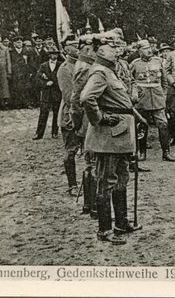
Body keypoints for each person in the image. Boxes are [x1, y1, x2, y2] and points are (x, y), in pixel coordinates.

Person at [81, 31, 140, 245]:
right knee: (106, 182)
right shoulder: (100, 72)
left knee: (122, 178)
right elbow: (87, 98)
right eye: (111, 46)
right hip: (108, 137)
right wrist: (102, 118)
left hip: (121, 135)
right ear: (100, 49)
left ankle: (121, 223)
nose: (116, 49)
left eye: (116, 46)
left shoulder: (110, 71)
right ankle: (104, 230)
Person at [130, 39, 175, 162]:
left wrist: (163, 96)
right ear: (139, 51)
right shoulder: (135, 64)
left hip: (157, 98)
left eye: (149, 48)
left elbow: (164, 82)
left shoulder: (158, 62)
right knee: (141, 126)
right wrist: (134, 94)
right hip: (142, 100)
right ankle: (141, 152)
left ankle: (166, 152)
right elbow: (131, 82)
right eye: (145, 49)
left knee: (163, 125)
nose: (149, 50)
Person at [71, 34, 97, 215]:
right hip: (90, 122)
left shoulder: (87, 65)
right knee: (94, 164)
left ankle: (91, 204)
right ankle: (92, 205)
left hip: (90, 121)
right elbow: (76, 100)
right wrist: (78, 126)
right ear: (88, 49)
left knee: (93, 163)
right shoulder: (85, 67)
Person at [56, 36, 80, 196]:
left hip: (83, 113)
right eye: (74, 45)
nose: (78, 48)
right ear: (66, 49)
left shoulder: (82, 65)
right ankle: (72, 185)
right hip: (70, 114)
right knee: (71, 150)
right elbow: (68, 96)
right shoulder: (65, 69)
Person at [33, 46, 62, 140]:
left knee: (56, 113)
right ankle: (39, 133)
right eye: (52, 54)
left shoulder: (61, 65)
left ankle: (55, 132)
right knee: (43, 113)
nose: (54, 56)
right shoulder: (43, 66)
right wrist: (45, 83)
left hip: (57, 93)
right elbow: (37, 78)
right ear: (49, 55)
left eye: (56, 54)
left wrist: (54, 82)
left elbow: (63, 78)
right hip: (46, 93)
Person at [8, 36, 32, 109]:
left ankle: (26, 103)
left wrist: (30, 71)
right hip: (15, 72)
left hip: (25, 72)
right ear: (14, 43)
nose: (19, 44)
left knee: (25, 88)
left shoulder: (26, 52)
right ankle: (16, 104)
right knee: (15, 87)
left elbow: (30, 62)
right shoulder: (11, 52)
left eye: (21, 42)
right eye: (18, 42)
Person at [0, 32, 12, 109]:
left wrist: (9, 71)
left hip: (3, 69)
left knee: (3, 87)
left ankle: (2, 103)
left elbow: (8, 61)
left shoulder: (4, 48)